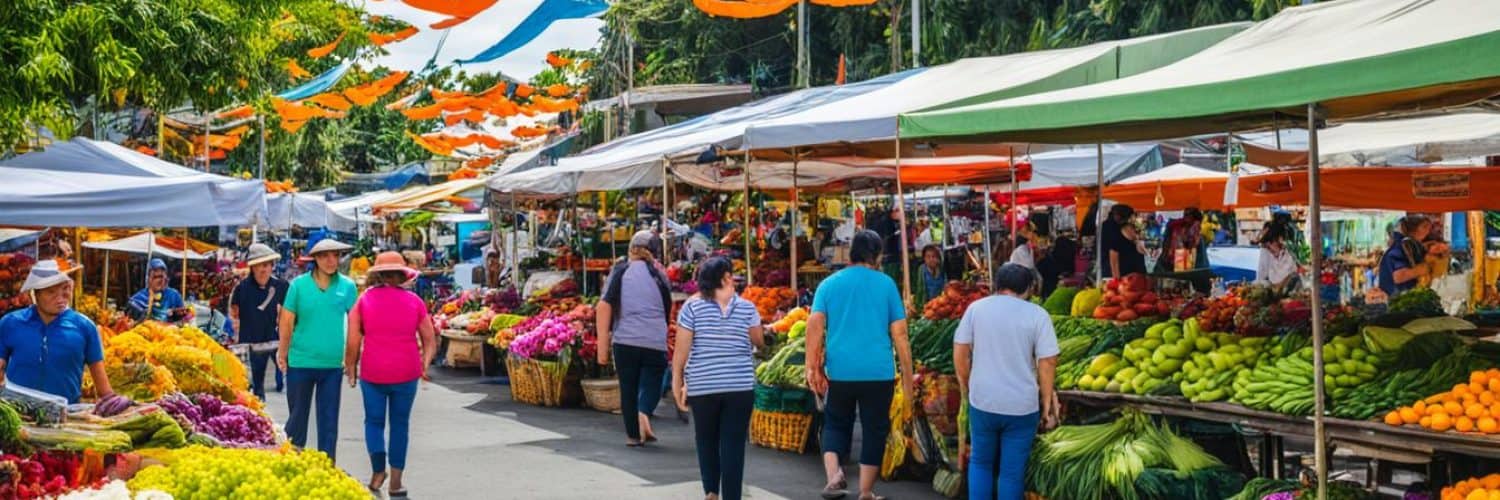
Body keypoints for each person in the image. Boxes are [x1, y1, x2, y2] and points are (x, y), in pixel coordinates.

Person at [806, 230, 914, 500]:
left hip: (840, 371)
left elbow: (814, 325)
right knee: (874, 428)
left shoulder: (829, 284)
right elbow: (900, 335)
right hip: (878, 372)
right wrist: (909, 378)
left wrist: (812, 367)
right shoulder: (886, 284)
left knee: (834, 424)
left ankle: (834, 476)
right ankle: (866, 492)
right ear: (877, 255)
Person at [953, 264, 1060, 500]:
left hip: (983, 401)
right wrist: (1045, 403)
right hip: (1021, 406)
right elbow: (1048, 361)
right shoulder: (1037, 315)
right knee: (1011, 473)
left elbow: (960, 351)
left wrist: (968, 384)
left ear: (996, 285)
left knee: (981, 463)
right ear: (1028, 289)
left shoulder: (976, 309)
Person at [671, 256, 765, 500]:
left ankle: (711, 492)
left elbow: (681, 351)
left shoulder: (691, 308)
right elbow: (759, 341)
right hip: (739, 386)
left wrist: (677, 383)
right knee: (733, 444)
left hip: (703, 387)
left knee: (706, 439)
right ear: (725, 278)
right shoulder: (747, 307)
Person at [345, 251, 437, 497]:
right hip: (407, 372)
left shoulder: (364, 300)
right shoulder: (415, 301)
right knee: (400, 425)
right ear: (401, 275)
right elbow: (429, 340)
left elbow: (353, 339)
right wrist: (425, 365)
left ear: (379, 275)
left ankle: (378, 471)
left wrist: (351, 367)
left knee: (373, 422)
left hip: (373, 372)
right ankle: (396, 482)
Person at [278, 238, 357, 461]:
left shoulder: (347, 287)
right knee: (297, 419)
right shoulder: (298, 285)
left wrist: (352, 361)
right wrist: (282, 352)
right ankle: (292, 462)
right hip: (300, 362)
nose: (331, 261)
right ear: (315, 259)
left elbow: (355, 325)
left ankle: (327, 466)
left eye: (335, 255)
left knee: (329, 421)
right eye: (325, 256)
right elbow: (287, 321)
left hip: (332, 365)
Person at [596, 230, 674, 447]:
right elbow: (668, 306)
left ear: (631, 249)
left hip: (625, 340)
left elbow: (605, 305)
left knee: (628, 388)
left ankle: (633, 435)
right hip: (654, 339)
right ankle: (644, 411)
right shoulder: (659, 273)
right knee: (654, 381)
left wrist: (602, 347)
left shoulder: (621, 269)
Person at [0, 261, 115, 404]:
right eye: (51, 292)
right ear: (36, 294)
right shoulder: (11, 323)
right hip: (19, 415)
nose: (61, 297)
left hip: (65, 418)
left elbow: (104, 390)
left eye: (65, 289)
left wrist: (117, 405)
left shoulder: (85, 327)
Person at [230, 244, 288, 400]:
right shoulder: (242, 288)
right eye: (260, 265)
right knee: (257, 385)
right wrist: (235, 333)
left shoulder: (281, 286)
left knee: (288, 373)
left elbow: (289, 312)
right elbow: (234, 313)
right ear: (253, 267)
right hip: (252, 343)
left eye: (268, 265)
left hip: (275, 339)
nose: (264, 269)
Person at [1379, 215, 1433, 297]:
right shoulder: (1400, 247)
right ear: (1413, 228)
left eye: (1429, 228)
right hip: (1395, 299)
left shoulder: (1411, 246)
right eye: (1424, 227)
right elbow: (1399, 276)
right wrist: (1423, 269)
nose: (1427, 231)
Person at [129, 258, 187, 323]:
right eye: (156, 277)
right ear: (149, 279)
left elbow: (185, 318)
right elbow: (132, 322)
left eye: (162, 276)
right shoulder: (138, 298)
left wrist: (178, 314)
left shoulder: (174, 295)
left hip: (170, 331)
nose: (160, 280)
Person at [1099, 204, 1146, 282]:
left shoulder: (1106, 226)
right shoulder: (1115, 230)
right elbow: (1114, 258)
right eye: (1131, 216)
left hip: (1113, 271)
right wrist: (1117, 280)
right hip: (1123, 273)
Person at [1255, 214, 1300, 291]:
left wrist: (1281, 285)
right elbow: (1262, 278)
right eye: (1266, 247)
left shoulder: (1292, 255)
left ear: (1280, 239)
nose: (1269, 250)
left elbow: (1295, 275)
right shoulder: (1269, 254)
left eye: (1270, 246)